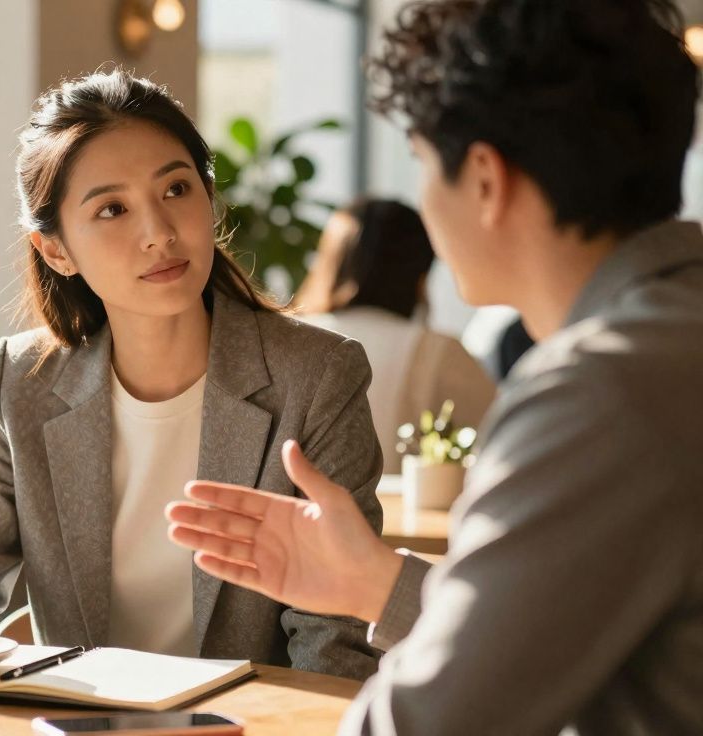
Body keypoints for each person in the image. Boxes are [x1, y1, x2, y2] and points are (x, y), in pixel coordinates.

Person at [166, 0, 703, 732]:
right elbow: (565, 625)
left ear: (484, 178)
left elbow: (433, 722)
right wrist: (379, 583)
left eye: (421, 162)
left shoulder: (599, 389)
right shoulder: (671, 336)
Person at [0, 69, 385, 678]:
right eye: (112, 209)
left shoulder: (316, 376)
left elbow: (336, 639)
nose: (158, 232)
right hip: (78, 720)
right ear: (56, 249)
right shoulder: (22, 378)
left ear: (210, 200)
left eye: (177, 190)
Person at [295, 198, 495, 467]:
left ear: (330, 262)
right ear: (421, 275)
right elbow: (503, 442)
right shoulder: (441, 353)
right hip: (404, 509)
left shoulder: (288, 338)